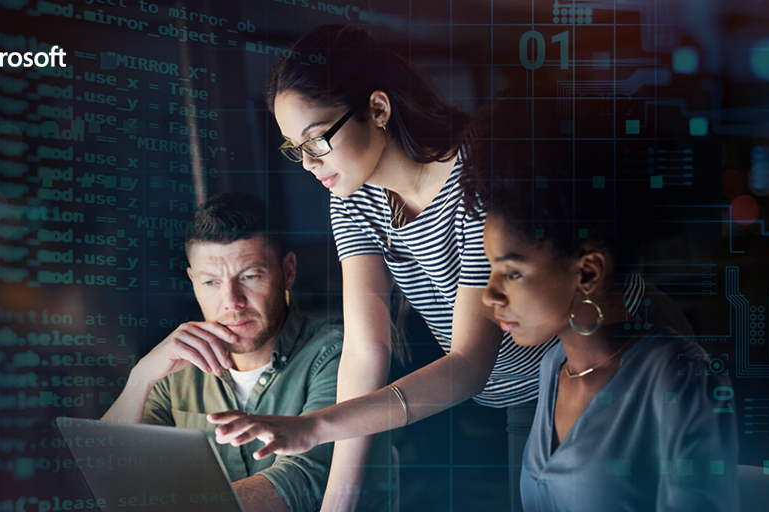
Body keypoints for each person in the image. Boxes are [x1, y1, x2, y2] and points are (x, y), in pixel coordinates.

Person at [208, 26, 648, 511]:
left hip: (600, 364)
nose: (309, 164)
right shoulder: (352, 198)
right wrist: (339, 499)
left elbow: (468, 363)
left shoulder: (478, 173)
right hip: (510, 395)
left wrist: (315, 425)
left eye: (316, 141)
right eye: (296, 149)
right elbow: (364, 350)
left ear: (378, 109)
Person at [471, 96, 739, 510]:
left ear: (588, 272)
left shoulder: (680, 378)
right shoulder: (553, 368)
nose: (489, 295)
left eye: (512, 272)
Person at [101, 192, 390, 512]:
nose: (232, 301)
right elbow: (104, 471)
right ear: (193, 282)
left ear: (288, 272)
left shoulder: (336, 353)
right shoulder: (178, 368)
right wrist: (139, 378)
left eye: (250, 276)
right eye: (211, 282)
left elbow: (305, 483)